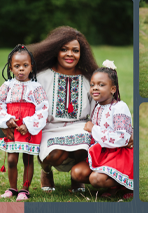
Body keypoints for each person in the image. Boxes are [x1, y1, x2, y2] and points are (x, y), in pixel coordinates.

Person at [28, 26, 99, 193]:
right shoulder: (41, 76)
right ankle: (46, 171)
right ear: (55, 51)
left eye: (75, 50)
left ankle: (76, 177)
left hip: (79, 126)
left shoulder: (89, 79)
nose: (70, 54)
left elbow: (97, 108)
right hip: (49, 128)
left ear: (82, 54)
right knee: (56, 154)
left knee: (83, 146)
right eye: (64, 49)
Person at [0, 45, 49, 201]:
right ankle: (12, 188)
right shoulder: (7, 86)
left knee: (27, 158)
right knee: (11, 159)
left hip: (28, 129)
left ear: (31, 67)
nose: (21, 69)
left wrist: (29, 124)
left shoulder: (36, 87)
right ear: (11, 68)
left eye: (25, 66)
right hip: (12, 126)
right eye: (17, 66)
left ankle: (24, 190)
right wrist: (6, 120)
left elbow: (43, 108)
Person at [70, 60, 134, 198]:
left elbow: (122, 138)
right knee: (76, 172)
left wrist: (93, 129)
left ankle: (124, 185)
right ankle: (111, 183)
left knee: (96, 179)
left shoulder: (119, 107)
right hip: (102, 153)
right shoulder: (97, 106)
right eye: (92, 85)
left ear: (113, 89)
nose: (95, 88)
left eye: (101, 85)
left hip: (118, 153)